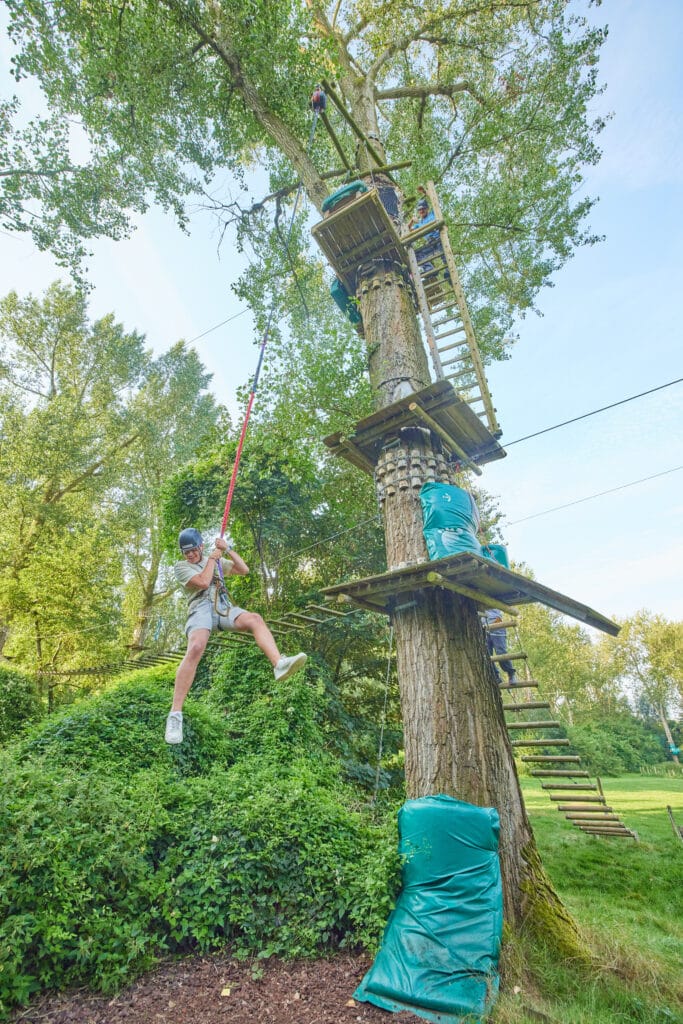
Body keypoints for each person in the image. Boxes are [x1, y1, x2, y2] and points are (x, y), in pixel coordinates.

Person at [165, 528, 307, 744]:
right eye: (187, 553)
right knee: (195, 647)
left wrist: (227, 549)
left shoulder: (215, 559)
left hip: (222, 606)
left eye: (193, 551)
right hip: (200, 608)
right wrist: (213, 559)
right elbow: (203, 582)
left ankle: (279, 664)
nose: (190, 555)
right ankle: (175, 715)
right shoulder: (181, 567)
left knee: (255, 619)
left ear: (200, 546)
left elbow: (243, 569)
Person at [481, 608, 517, 685]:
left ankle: (511, 673)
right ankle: (495, 676)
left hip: (496, 623)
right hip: (484, 627)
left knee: (501, 652)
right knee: (486, 654)